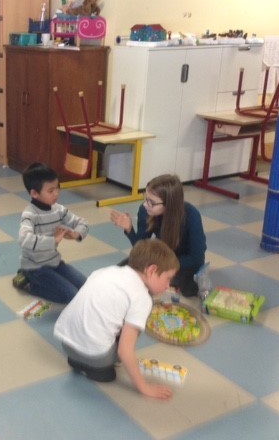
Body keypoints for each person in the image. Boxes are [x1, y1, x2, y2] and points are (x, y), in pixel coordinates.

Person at [54, 239, 179, 399]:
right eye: (168, 278)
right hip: (94, 355)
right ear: (152, 270)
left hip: (66, 344)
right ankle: (93, 366)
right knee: (110, 372)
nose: (168, 285)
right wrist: (145, 388)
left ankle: (79, 361)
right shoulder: (142, 298)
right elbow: (125, 351)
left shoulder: (107, 270)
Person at [110, 174, 206, 297]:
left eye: (152, 202)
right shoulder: (145, 210)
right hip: (160, 259)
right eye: (145, 198)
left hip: (184, 263)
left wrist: (165, 266)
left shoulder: (191, 215)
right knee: (121, 271)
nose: (146, 204)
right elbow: (141, 248)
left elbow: (197, 258)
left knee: (179, 288)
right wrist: (129, 229)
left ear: (169, 204)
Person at [14, 162, 89, 304]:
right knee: (72, 295)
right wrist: (53, 240)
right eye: (50, 191)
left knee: (86, 287)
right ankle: (28, 284)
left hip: (55, 262)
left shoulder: (58, 209)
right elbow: (24, 239)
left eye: (57, 188)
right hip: (35, 267)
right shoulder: (29, 214)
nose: (56, 193)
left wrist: (77, 234)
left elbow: (82, 222)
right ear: (34, 194)